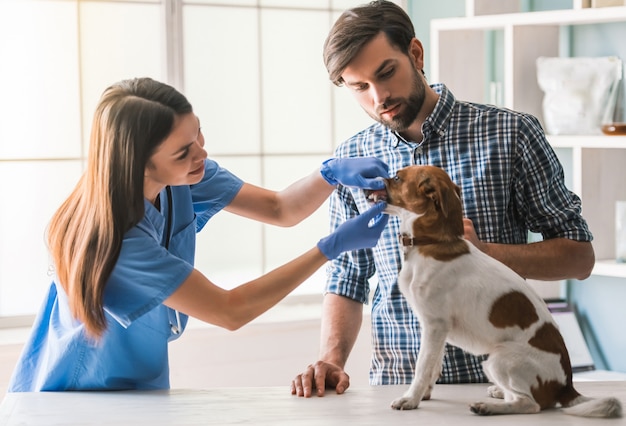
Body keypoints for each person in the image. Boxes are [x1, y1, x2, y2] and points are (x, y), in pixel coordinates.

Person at [291, 0, 595, 398]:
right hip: (397, 390)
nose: (379, 97)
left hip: (498, 385)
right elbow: (347, 277)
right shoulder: (352, 161)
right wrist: (331, 359)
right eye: (360, 87)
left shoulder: (510, 134)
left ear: (415, 54)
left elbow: (579, 257)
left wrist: (483, 251)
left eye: (386, 73)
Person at [8, 77, 391, 392]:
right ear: (139, 163)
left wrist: (328, 174)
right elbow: (229, 310)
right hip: (77, 395)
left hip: (141, 386)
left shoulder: (183, 176)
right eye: (182, 151)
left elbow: (280, 208)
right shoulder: (115, 239)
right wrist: (330, 248)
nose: (200, 154)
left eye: (198, 135)